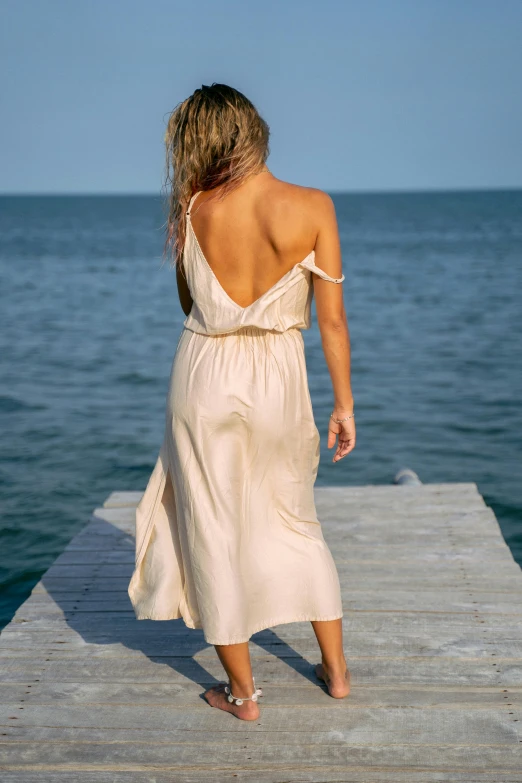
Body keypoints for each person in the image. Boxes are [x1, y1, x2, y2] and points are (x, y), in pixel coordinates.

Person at [128, 83, 356, 721]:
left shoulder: (193, 207)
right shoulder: (312, 206)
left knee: (213, 530)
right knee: (296, 520)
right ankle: (336, 674)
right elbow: (332, 324)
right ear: (255, 130)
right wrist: (344, 405)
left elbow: (192, 304)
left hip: (203, 374)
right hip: (278, 378)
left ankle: (244, 695)